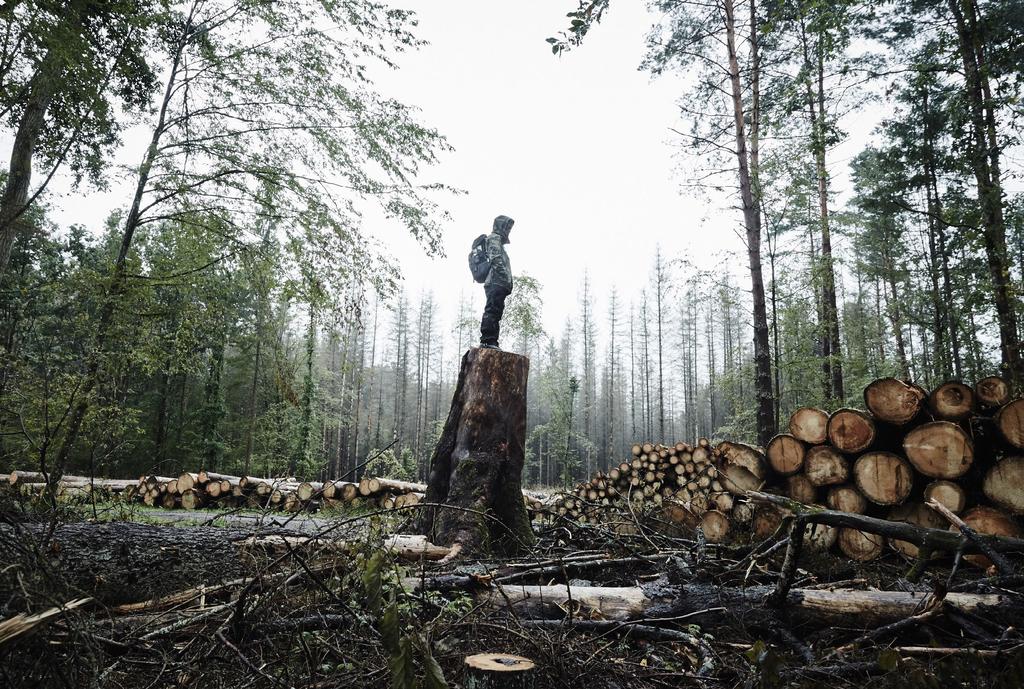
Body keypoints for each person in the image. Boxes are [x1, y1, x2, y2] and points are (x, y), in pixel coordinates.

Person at [480, 215, 514, 349]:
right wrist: (505, 276)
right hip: (495, 282)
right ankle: (487, 341)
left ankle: (492, 341)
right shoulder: (494, 238)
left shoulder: (498, 240)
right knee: (492, 311)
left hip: (499, 283)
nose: (508, 230)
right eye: (507, 227)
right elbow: (495, 259)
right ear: (501, 226)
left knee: (496, 312)